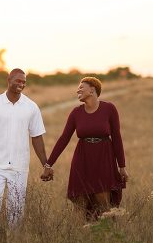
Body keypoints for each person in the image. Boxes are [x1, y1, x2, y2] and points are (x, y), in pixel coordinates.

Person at [40, 76, 129, 220]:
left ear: (92, 90)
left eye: (81, 87)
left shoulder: (109, 109)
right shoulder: (76, 112)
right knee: (80, 204)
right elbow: (64, 139)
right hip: (82, 160)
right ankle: (80, 238)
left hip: (103, 159)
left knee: (105, 205)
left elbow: (117, 138)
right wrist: (48, 164)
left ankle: (108, 238)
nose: (78, 90)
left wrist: (122, 166)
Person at [0, 68, 50, 241]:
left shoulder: (31, 107)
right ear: (9, 80)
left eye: (24, 82)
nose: (21, 84)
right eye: (18, 81)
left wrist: (45, 164)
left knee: (16, 210)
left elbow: (37, 137)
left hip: (20, 167)